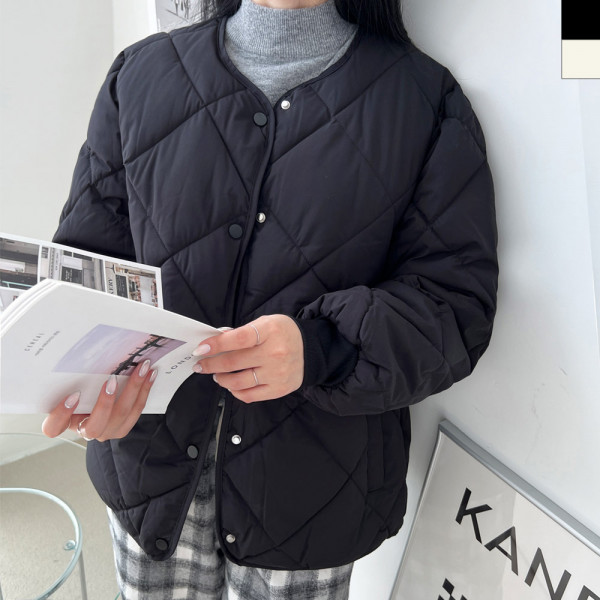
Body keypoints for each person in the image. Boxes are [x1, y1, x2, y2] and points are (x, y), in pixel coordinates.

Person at [42, 0, 498, 597]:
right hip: (147, 478)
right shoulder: (140, 74)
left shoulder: (426, 101)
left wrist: (321, 348)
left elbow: (454, 307)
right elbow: (86, 269)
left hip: (311, 499)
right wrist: (90, 383)